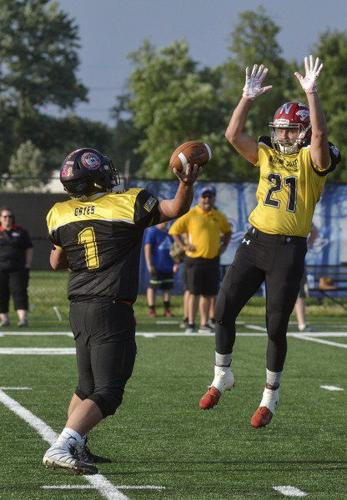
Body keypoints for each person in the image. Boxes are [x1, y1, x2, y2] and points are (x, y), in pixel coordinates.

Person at [199, 56, 341, 428]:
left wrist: (311, 94)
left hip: (288, 250)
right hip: (255, 240)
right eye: (280, 130)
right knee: (224, 306)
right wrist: (246, 98)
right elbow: (232, 136)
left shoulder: (315, 159)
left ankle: (270, 394)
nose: (284, 136)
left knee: (276, 325)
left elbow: (322, 139)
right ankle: (221, 375)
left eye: (291, 130)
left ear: (305, 131)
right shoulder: (266, 154)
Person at [43, 147, 199, 474]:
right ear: (98, 176)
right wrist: (187, 182)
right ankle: (63, 444)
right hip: (110, 305)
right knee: (109, 391)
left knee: (86, 387)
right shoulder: (128, 201)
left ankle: (77, 445)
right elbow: (175, 208)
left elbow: (56, 262)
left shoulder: (59, 212)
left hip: (79, 305)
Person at [169, 185, 232, 334]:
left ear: (213, 199)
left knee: (208, 294)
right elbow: (174, 231)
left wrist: (223, 247)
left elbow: (228, 232)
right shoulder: (191, 214)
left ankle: (204, 323)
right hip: (195, 260)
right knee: (194, 292)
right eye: (204, 196)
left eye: (209, 196)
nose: (207, 199)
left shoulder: (218, 215)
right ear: (199, 198)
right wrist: (184, 246)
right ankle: (191, 323)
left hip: (212, 259)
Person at [0, 207, 33, 327]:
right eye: (4, 216)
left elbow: (29, 248)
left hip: (17, 268)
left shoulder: (21, 231)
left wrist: (27, 264)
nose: (7, 219)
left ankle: (23, 319)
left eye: (9, 216)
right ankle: (4, 319)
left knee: (19, 292)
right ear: (0, 218)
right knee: (1, 293)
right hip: (1, 269)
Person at [144, 221, 179, 317]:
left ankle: (167, 310)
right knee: (152, 287)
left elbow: (174, 249)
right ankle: (152, 310)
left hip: (168, 266)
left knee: (167, 288)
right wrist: (149, 264)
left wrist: (176, 263)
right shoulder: (152, 231)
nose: (167, 221)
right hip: (156, 266)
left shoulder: (170, 233)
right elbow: (147, 248)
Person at [294, 224, 318, 332]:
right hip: (280, 256)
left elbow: (314, 230)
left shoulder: (301, 215)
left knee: (300, 291)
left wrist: (307, 245)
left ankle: (301, 323)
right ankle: (301, 323)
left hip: (295, 257)